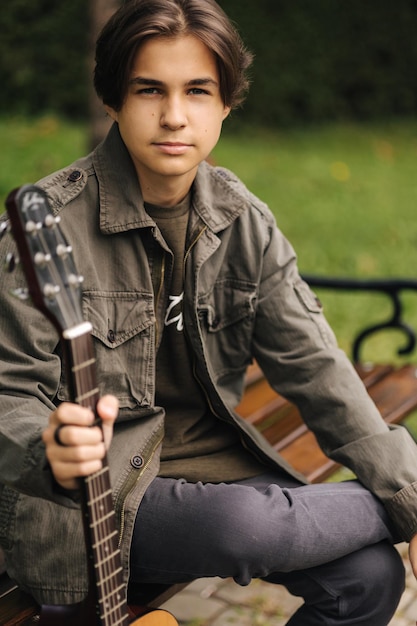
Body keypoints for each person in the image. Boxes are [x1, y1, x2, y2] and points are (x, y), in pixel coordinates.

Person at [1, 1, 417, 624]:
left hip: (215, 473)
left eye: (198, 91)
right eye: (149, 90)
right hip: (94, 502)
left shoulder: (241, 219)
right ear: (113, 99)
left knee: (371, 575)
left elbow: (316, 368)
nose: (174, 116)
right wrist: (48, 448)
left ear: (226, 104)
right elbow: (9, 390)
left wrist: (402, 486)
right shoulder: (43, 227)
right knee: (248, 526)